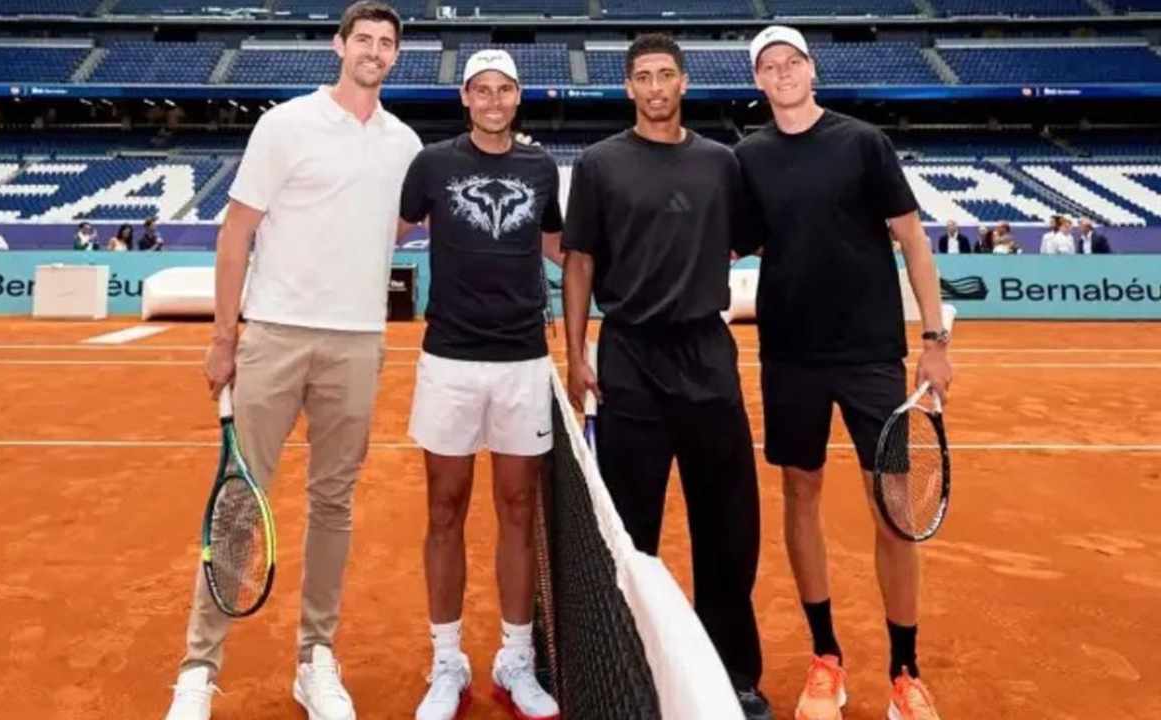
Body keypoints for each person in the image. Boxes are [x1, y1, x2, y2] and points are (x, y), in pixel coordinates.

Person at [162, 4, 422, 720]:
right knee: (240, 500)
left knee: (334, 505)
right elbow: (236, 232)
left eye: (386, 43)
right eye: (363, 39)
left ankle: (317, 660)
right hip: (274, 336)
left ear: (396, 57)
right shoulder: (283, 125)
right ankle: (198, 668)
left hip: (358, 341)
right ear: (340, 46)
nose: (373, 51)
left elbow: (394, 223)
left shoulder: (404, 145)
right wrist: (223, 335)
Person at [733, 25, 952, 720]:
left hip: (869, 358)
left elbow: (913, 239)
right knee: (801, 495)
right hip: (791, 357)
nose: (783, 72)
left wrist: (934, 338)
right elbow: (733, 239)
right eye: (769, 65)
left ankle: (905, 670)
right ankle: (826, 659)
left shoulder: (864, 143)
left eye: (792, 60)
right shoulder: (747, 158)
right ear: (759, 83)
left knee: (892, 507)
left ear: (811, 70)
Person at [562, 33, 771, 720]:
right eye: (643, 77)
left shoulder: (722, 163)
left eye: (666, 76)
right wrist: (576, 353)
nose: (655, 87)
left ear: (683, 83)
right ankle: (632, 670)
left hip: (708, 355)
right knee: (631, 532)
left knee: (728, 528)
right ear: (628, 87)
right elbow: (581, 264)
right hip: (629, 357)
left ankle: (732, 674)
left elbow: (740, 236)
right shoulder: (598, 164)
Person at [396, 49, 564, 720]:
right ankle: (447, 660)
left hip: (523, 358)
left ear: (516, 98)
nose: (493, 101)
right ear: (465, 98)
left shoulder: (541, 167)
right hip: (450, 359)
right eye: (481, 90)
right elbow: (391, 226)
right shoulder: (432, 165)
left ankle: (515, 659)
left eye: (505, 90)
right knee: (445, 509)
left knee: (519, 510)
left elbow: (560, 246)